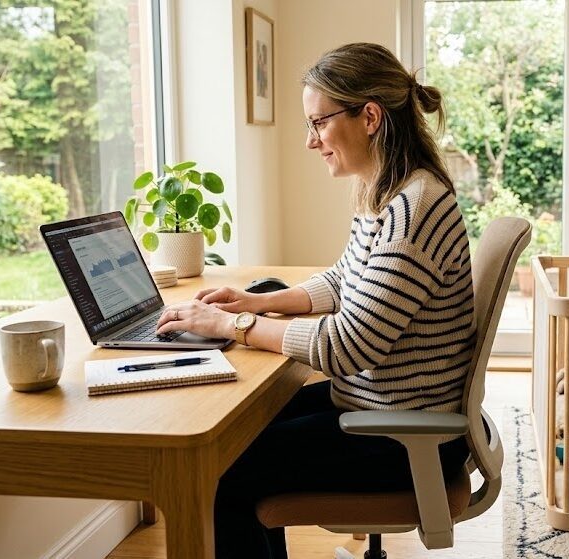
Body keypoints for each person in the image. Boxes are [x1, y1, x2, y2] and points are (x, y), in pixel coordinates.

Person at [155, 43, 475, 558]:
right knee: (230, 436)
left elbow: (347, 348)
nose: (311, 141)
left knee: (219, 471)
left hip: (403, 435)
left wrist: (229, 327)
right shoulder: (391, 193)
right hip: (382, 409)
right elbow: (345, 279)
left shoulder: (412, 211)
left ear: (369, 117)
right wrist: (256, 304)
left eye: (319, 123)